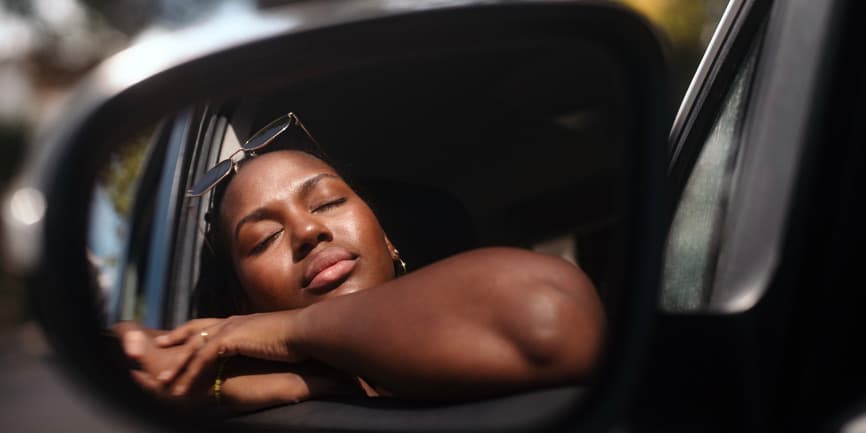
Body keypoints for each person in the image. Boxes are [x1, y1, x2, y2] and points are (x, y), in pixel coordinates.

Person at [114, 113, 605, 414]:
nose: (308, 232)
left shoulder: (485, 312)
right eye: (264, 239)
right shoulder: (251, 403)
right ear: (242, 300)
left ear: (389, 241)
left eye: (327, 203)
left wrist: (293, 329)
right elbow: (120, 356)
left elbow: (549, 316)